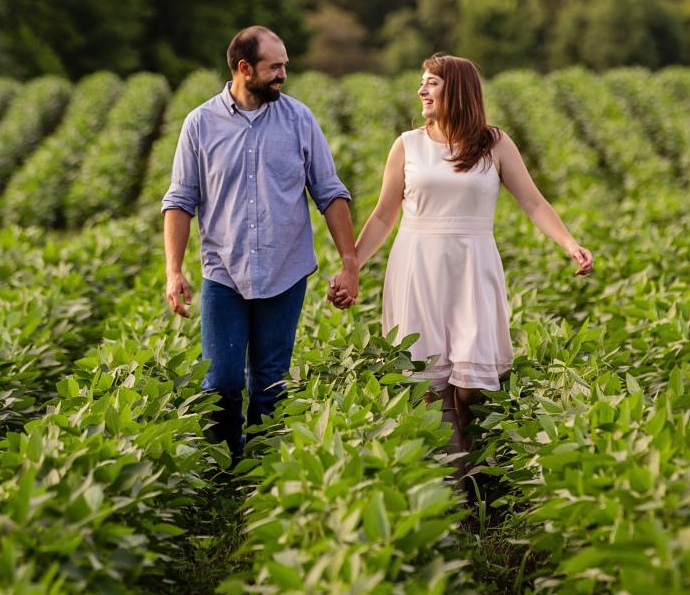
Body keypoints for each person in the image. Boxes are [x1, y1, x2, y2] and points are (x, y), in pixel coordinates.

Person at [331, 53, 592, 482]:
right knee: (430, 387)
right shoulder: (407, 145)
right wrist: (351, 266)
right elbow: (382, 216)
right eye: (421, 82)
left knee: (473, 387)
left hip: (472, 267)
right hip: (417, 268)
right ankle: (455, 494)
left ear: (457, 89)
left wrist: (569, 243)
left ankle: (478, 468)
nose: (421, 90)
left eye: (431, 82)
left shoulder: (495, 143)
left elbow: (533, 201)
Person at [162, 25, 358, 461]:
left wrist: (350, 262)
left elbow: (330, 192)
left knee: (270, 383)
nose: (283, 75)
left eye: (285, 65)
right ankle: (225, 466)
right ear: (244, 68)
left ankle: (263, 473)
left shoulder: (300, 119)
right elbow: (180, 200)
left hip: (285, 272)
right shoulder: (200, 124)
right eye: (275, 67)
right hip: (223, 273)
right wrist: (173, 271)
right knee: (222, 383)